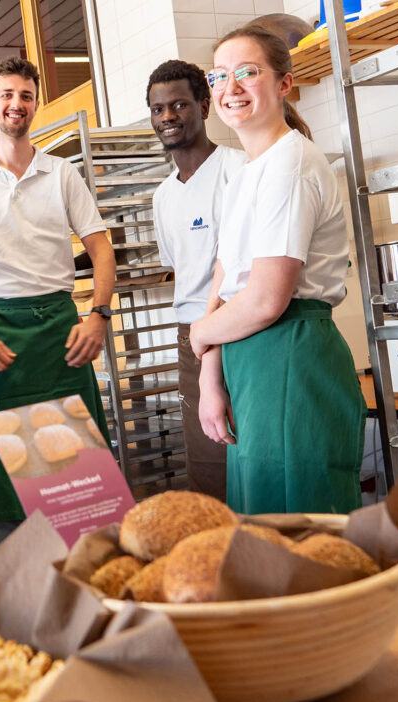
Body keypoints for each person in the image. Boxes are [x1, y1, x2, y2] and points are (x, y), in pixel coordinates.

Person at [0, 57, 116, 549]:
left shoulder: (61, 173)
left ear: (36, 104)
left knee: (75, 468)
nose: (17, 104)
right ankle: (18, 575)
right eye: (8, 95)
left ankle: (87, 572)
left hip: (60, 335)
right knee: (0, 463)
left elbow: (101, 250)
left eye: (27, 96)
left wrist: (98, 317)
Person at [189, 24, 365, 516]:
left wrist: (201, 333)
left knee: (301, 527)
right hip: (250, 359)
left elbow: (267, 299)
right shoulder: (247, 173)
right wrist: (209, 376)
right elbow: (225, 275)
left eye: (247, 72)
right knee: (262, 520)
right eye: (218, 76)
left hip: (290, 355)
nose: (230, 87)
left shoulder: (291, 165)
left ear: (284, 83)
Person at [147, 59, 246, 500]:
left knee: (253, 456)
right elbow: (180, 268)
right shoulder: (163, 196)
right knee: (207, 466)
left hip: (243, 331)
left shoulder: (238, 170)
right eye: (158, 109)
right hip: (191, 338)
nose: (168, 116)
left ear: (205, 106)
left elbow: (242, 271)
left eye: (179, 105)